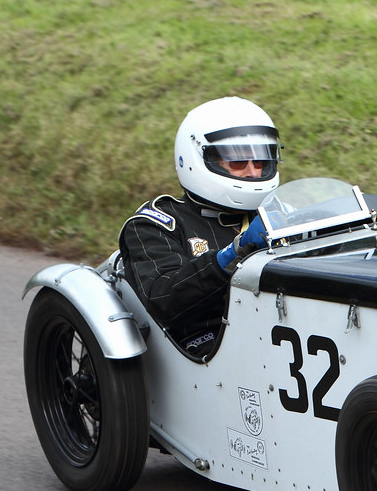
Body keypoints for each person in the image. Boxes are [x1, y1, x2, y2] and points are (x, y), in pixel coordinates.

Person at [119, 96, 281, 356]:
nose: (253, 172)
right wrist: (232, 254)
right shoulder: (155, 225)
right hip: (203, 343)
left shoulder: (278, 215)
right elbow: (164, 300)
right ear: (197, 159)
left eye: (260, 161)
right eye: (238, 162)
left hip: (278, 332)